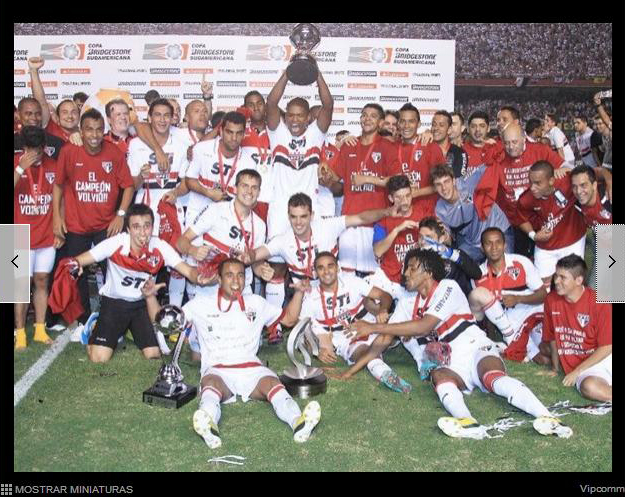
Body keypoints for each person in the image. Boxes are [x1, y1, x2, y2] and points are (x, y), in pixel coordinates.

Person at [346, 248, 573, 440]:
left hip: (474, 346)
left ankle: (549, 418)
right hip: (451, 359)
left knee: (492, 378)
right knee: (439, 377)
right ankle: (469, 424)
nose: (406, 273)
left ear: (428, 271)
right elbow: (383, 341)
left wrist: (373, 326)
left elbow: (424, 326)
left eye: (412, 267)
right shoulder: (407, 303)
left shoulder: (448, 287)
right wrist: (350, 372)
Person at [142, 257, 321, 449]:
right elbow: (166, 323)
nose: (236, 281)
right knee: (211, 385)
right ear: (219, 279)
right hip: (218, 370)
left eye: (240, 275)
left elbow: (289, 319)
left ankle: (299, 423)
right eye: (229, 275)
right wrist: (150, 297)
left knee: (273, 384)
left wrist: (299, 293)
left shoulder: (256, 303)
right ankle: (209, 426)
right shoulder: (200, 304)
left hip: (252, 369)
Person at [66, 203, 209, 363]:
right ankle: (94, 326)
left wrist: (202, 277)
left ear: (153, 227)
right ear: (128, 229)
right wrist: (75, 266)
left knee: (153, 355)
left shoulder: (160, 247)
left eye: (147, 226)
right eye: (136, 227)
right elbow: (80, 259)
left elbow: (188, 271)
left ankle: (123, 330)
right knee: (99, 358)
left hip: (141, 304)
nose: (142, 232)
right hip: (114, 303)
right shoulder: (116, 243)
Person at [52, 108, 134, 336]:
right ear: (81, 130)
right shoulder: (69, 152)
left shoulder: (114, 153)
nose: (95, 135)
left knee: (114, 271)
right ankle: (82, 320)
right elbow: (58, 185)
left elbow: (128, 185)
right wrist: (57, 218)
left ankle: (114, 317)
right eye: (89, 129)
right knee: (74, 272)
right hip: (75, 225)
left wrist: (120, 214)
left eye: (99, 129)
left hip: (106, 225)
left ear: (104, 130)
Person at [263, 68, 333, 308]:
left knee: (314, 262)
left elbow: (328, 104)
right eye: (290, 115)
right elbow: (271, 102)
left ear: (308, 118)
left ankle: (314, 312)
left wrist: (316, 72)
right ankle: (273, 320)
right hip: (280, 208)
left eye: (300, 115)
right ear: (285, 117)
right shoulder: (277, 134)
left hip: (308, 211)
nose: (294, 120)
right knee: (277, 265)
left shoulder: (316, 135)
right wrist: (288, 72)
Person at [297, 252, 411, 392]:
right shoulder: (310, 296)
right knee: (364, 352)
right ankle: (385, 373)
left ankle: (424, 356)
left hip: (371, 324)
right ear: (315, 272)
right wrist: (316, 350)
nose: (326, 271)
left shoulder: (351, 282)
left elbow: (384, 295)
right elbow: (302, 329)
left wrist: (383, 310)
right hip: (346, 338)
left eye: (330, 266)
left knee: (405, 328)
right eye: (320, 268)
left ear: (338, 268)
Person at [247, 192, 397, 283]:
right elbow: (254, 255)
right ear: (288, 216)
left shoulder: (327, 226)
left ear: (312, 216)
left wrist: (386, 212)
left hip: (334, 286)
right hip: (305, 294)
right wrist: (257, 266)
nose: (298, 222)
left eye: (303, 216)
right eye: (294, 217)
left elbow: (360, 218)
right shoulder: (282, 241)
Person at [322, 103, 399, 276]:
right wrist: (325, 173)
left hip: (375, 223)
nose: (367, 119)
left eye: (373, 116)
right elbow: (334, 177)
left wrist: (368, 179)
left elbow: (397, 181)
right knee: (346, 275)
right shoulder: (350, 145)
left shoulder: (387, 147)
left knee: (373, 277)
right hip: (349, 220)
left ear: (380, 123)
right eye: (364, 115)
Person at [177, 169, 269, 297]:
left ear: (259, 192)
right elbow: (181, 242)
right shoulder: (216, 210)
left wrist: (263, 271)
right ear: (235, 188)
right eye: (245, 186)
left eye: (254, 187)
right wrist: (192, 250)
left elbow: (255, 263)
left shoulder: (260, 225)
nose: (249, 191)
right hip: (209, 286)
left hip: (241, 289)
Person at [14, 126, 64, 349]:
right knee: (18, 287)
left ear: (44, 148)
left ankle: (40, 329)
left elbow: (61, 198)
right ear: (23, 148)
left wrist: (59, 228)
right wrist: (20, 169)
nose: (35, 154)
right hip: (15, 234)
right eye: (30, 150)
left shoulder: (53, 165)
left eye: (39, 150)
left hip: (45, 234)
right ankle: (20, 333)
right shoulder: (15, 163)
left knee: (42, 280)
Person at [468, 227, 550, 364]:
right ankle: (510, 342)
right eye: (488, 243)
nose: (494, 247)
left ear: (505, 245)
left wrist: (518, 299)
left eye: (498, 242)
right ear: (482, 248)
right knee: (542, 360)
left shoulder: (521, 262)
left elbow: (543, 294)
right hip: (511, 323)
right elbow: (487, 310)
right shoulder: (478, 275)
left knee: (547, 349)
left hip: (533, 312)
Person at [542, 255, 611, 402]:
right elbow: (552, 338)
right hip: (586, 367)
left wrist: (576, 372)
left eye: (563, 277)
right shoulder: (551, 300)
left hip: (605, 356)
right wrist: (555, 368)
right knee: (589, 387)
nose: (556, 281)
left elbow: (607, 346)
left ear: (579, 280)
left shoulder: (600, 301)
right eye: (556, 276)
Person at [516, 161, 589, 287]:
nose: (532, 187)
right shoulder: (526, 199)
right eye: (531, 182)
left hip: (574, 240)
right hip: (546, 246)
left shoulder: (567, 182)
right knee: (543, 286)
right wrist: (534, 235)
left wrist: (567, 169)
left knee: (574, 283)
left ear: (551, 181)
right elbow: (520, 218)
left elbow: (594, 174)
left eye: (538, 183)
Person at [432, 164, 512, 263]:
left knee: (506, 268)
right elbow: (448, 238)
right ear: (434, 188)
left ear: (454, 181)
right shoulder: (439, 210)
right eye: (438, 184)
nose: (444, 188)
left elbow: (490, 165)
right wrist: (444, 238)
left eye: (446, 181)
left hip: (499, 230)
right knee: (458, 263)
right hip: (474, 244)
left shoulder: (467, 182)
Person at [370, 175, 429, 299]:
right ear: (391, 198)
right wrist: (397, 230)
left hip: (416, 279)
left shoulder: (423, 213)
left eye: (407, 195)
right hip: (389, 279)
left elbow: (442, 240)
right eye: (399, 197)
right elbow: (377, 251)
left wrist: (425, 233)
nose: (404, 201)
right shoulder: (384, 220)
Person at [418, 216, 482, 296]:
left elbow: (477, 274)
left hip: (461, 302)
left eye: (428, 237)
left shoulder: (453, 253)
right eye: (420, 237)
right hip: (434, 305)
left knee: (479, 295)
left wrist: (453, 255)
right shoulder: (415, 260)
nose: (423, 241)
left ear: (441, 239)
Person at [27, 56, 80, 143]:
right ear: (57, 117)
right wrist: (34, 71)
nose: (70, 116)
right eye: (64, 112)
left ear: (79, 116)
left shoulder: (86, 133)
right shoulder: (51, 128)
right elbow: (41, 102)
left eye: (74, 112)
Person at [463, 111, 497, 177]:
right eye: (473, 126)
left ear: (488, 128)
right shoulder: (460, 152)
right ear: (468, 129)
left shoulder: (497, 150)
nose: (477, 129)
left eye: (482, 126)